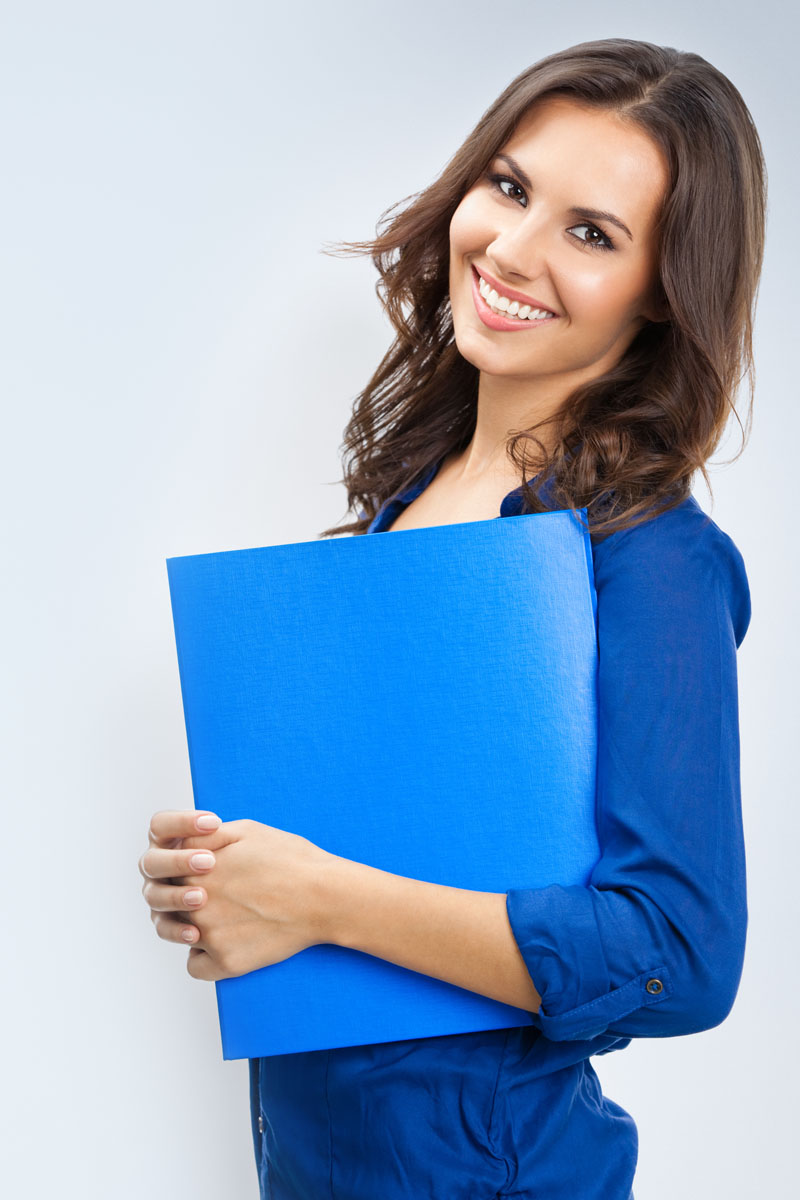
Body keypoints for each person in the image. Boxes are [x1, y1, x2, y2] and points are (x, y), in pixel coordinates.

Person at [138, 37, 766, 1199]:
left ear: (663, 295)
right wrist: (227, 878)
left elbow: (678, 955)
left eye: (591, 232)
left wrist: (319, 896)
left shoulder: (652, 558)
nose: (511, 249)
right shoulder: (402, 506)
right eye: (511, 187)